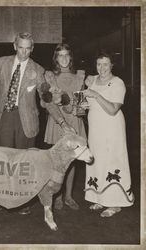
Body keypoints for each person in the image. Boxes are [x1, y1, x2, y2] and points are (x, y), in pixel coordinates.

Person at [0, 32, 45, 214]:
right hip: (4, 116)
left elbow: (44, 98)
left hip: (26, 119)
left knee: (23, 163)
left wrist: (53, 95)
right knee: (3, 160)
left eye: (28, 49)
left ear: (32, 49)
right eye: (21, 48)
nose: (24, 53)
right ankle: (1, 199)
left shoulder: (39, 69)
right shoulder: (3, 62)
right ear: (14, 46)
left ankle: (23, 202)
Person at [82, 52, 134, 217]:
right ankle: (101, 198)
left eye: (105, 64)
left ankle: (116, 203)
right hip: (95, 130)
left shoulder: (118, 83)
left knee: (112, 163)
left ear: (112, 65)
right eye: (99, 64)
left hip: (112, 129)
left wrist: (96, 95)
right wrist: (83, 106)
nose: (101, 68)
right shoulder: (93, 81)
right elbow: (91, 105)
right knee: (98, 162)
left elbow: (112, 110)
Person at [43, 43, 87, 210]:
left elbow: (82, 106)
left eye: (66, 55)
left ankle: (68, 196)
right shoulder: (49, 76)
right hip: (57, 122)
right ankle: (58, 196)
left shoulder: (79, 76)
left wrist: (76, 108)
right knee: (58, 162)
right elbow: (45, 102)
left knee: (72, 161)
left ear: (71, 57)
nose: (64, 58)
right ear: (56, 58)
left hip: (74, 121)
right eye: (60, 55)